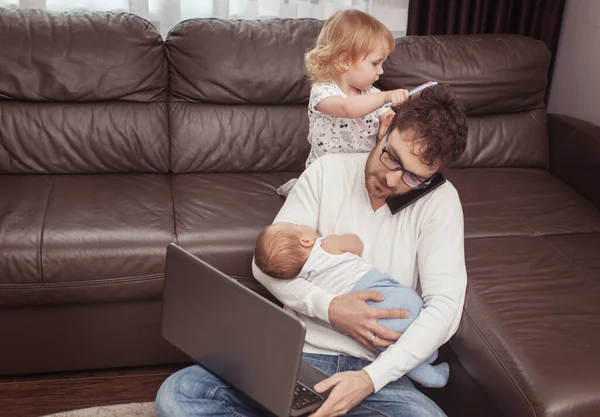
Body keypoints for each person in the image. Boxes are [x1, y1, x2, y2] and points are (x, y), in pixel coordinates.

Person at [155, 83, 469, 417]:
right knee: (179, 395)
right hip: (297, 357)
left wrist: (368, 380)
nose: (393, 181)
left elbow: (445, 310)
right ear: (386, 125)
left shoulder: (441, 203)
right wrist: (330, 308)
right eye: (392, 158)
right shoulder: (327, 171)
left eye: (414, 177)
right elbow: (264, 265)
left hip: (377, 374)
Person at [254, 222, 450, 388]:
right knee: (411, 325)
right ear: (305, 241)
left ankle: (431, 374)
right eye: (296, 225)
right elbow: (356, 244)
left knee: (392, 344)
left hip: (363, 321)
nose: (300, 223)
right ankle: (428, 354)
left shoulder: (300, 276)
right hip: (387, 297)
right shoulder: (327, 244)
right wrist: (343, 238)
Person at [276, 9, 409, 197]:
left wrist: (388, 123)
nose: (381, 71)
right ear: (345, 61)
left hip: (359, 171)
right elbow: (348, 108)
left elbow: (388, 117)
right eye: (375, 63)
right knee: (314, 198)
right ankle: (295, 187)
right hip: (324, 173)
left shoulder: (372, 94)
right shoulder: (323, 91)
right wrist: (386, 97)